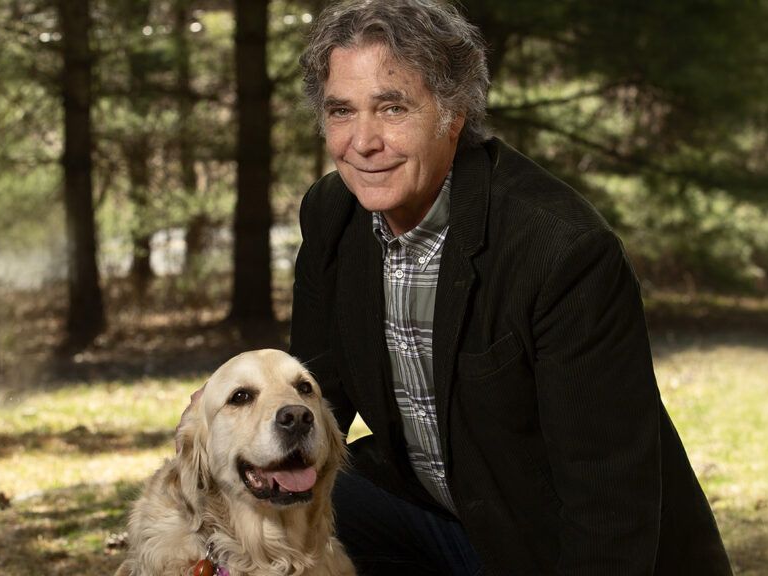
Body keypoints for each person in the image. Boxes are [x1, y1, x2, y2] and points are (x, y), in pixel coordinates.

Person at [189, 0, 734, 573]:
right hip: (438, 511)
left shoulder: (562, 252)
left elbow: (608, 499)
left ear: (453, 114)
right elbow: (318, 397)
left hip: (552, 543)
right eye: (342, 111)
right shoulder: (332, 215)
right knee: (294, 503)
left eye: (392, 107)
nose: (363, 141)